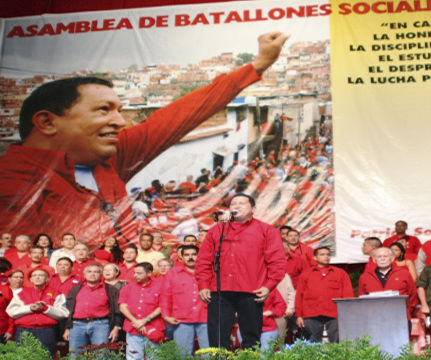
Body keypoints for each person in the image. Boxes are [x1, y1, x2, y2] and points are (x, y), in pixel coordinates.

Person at [0, 31, 289, 247]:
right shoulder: (11, 185)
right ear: (47, 122)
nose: (119, 122)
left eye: (119, 110)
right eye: (103, 110)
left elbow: (178, 116)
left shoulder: (108, 158)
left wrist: (258, 66)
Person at [195, 193, 286, 349]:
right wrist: (203, 284)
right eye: (233, 204)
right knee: (217, 339)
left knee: (251, 338)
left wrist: (268, 285)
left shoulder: (267, 230)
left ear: (253, 208)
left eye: (242, 203)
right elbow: (203, 260)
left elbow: (277, 262)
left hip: (252, 290)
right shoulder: (217, 230)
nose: (236, 206)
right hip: (220, 290)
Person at [63, 263, 123, 357]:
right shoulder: (76, 289)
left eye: (96, 272)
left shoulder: (111, 290)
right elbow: (69, 310)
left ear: (101, 274)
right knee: (75, 356)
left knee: (102, 355)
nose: (92, 274)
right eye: (89, 272)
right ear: (84, 274)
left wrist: (116, 328)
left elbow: (117, 310)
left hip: (101, 325)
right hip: (77, 325)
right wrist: (67, 327)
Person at [295, 247, 353, 343]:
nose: (326, 257)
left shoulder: (340, 273)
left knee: (338, 342)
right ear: (315, 257)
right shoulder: (306, 274)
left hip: (335, 313)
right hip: (311, 313)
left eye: (328, 254)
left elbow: (348, 295)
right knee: (312, 343)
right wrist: (299, 315)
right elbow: (299, 296)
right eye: (322, 254)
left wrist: (347, 313)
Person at [6, 268, 69, 356]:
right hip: (24, 330)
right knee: (23, 356)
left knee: (45, 356)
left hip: (47, 330)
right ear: (31, 279)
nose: (37, 277)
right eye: (34, 275)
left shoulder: (56, 293)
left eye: (41, 275)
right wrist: (30, 308)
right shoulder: (22, 293)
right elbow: (11, 311)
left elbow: (64, 313)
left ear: (47, 279)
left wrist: (45, 308)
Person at [160, 245, 208, 355]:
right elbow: (165, 296)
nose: (190, 257)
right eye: (187, 255)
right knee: (182, 355)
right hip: (181, 320)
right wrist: (166, 316)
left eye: (194, 254)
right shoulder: (172, 274)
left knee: (209, 355)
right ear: (181, 257)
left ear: (199, 256)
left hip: (206, 318)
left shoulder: (209, 272)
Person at [119, 262, 165, 360]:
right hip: (133, 328)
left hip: (154, 327)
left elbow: (162, 306)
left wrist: (144, 320)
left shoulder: (160, 287)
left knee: (155, 357)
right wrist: (135, 321)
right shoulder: (128, 287)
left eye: (139, 273)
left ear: (149, 273)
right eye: (135, 273)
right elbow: (122, 307)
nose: (135, 275)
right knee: (133, 357)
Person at [358, 247, 418, 320]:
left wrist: (407, 311)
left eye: (385, 256)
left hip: (400, 316)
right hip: (374, 318)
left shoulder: (404, 273)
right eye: (379, 256)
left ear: (392, 259)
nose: (382, 259)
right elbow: (362, 298)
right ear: (374, 260)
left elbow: (412, 294)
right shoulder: (365, 277)